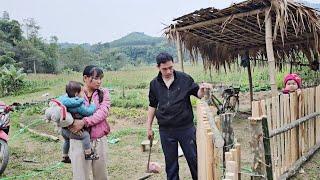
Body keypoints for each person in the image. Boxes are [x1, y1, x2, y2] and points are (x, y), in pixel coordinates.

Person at [146, 52, 211, 180]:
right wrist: (148, 126)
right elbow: (152, 105)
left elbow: (197, 93)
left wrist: (202, 90)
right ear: (158, 67)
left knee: (194, 159)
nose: (169, 71)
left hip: (186, 128)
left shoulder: (184, 79)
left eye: (170, 67)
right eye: (165, 69)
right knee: (171, 164)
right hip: (166, 130)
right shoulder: (154, 84)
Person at [68, 65, 111, 180]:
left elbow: (103, 113)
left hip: (99, 139)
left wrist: (83, 122)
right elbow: (63, 109)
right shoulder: (74, 93)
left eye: (101, 78)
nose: (99, 81)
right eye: (96, 78)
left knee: (101, 174)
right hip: (79, 138)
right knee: (80, 175)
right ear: (85, 78)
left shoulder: (103, 93)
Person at [58, 81, 99, 163]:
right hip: (73, 130)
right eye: (82, 91)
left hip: (64, 130)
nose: (84, 93)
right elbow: (88, 112)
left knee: (66, 141)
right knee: (86, 136)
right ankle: (88, 154)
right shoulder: (78, 105)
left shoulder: (64, 101)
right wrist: (93, 105)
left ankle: (65, 156)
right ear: (77, 94)